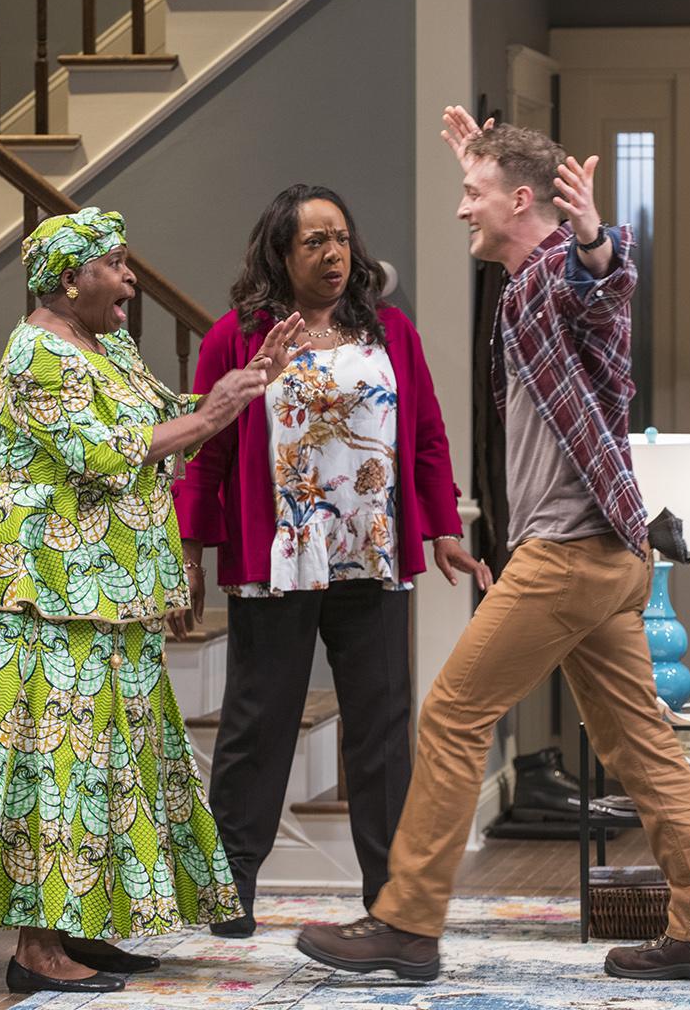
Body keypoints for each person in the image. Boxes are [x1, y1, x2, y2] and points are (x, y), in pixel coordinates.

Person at [294, 111, 690, 984]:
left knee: (455, 712)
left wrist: (595, 244)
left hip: (570, 556)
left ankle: (408, 923)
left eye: (473, 194)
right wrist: (480, 161)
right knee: (644, 747)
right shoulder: (519, 283)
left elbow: (600, 298)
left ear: (524, 201)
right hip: (607, 556)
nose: (462, 209)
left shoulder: (549, 279)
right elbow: (561, 273)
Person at [0, 208, 306, 995]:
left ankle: (85, 929)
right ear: (70, 280)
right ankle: (35, 949)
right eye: (117, 265)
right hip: (38, 588)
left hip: (108, 586)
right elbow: (105, 457)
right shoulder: (35, 355)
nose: (131, 280)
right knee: (50, 758)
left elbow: (168, 423)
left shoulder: (112, 347)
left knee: (109, 760)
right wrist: (211, 413)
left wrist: (241, 387)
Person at [170, 184, 487, 936]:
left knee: (380, 729)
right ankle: (231, 891)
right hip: (275, 558)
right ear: (280, 254)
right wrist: (188, 547)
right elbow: (207, 452)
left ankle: (389, 896)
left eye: (340, 237)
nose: (333, 253)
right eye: (314, 241)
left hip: (371, 558)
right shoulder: (236, 337)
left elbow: (429, 438)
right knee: (257, 724)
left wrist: (442, 527)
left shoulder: (393, 334)